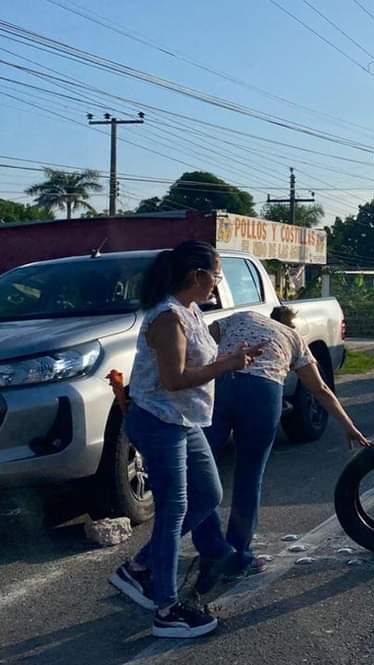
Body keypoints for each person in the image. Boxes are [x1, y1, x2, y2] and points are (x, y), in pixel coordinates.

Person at [109, 241, 260, 639]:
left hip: (184, 421)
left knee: (207, 495)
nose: (217, 284)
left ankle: (139, 568)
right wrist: (226, 365)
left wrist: (233, 357)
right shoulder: (168, 318)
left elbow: (196, 363)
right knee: (175, 508)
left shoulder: (191, 312)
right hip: (159, 421)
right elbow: (173, 379)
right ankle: (166, 608)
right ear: (196, 276)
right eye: (216, 276)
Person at [191, 306, 372, 586]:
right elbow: (321, 390)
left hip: (223, 384)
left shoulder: (242, 316)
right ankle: (239, 555)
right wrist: (349, 427)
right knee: (249, 477)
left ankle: (212, 550)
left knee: (203, 472)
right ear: (291, 324)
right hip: (263, 394)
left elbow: (202, 340)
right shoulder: (294, 338)